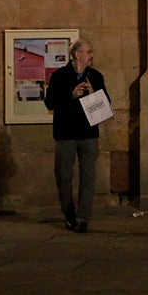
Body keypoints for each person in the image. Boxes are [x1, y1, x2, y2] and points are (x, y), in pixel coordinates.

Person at [44, 38, 110, 234]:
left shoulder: (95, 76)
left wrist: (93, 93)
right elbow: (50, 103)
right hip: (65, 134)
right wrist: (71, 95)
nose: (92, 55)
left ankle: (83, 218)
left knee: (88, 176)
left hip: (88, 134)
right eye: (89, 51)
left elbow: (106, 105)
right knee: (64, 176)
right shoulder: (59, 76)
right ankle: (69, 214)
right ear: (77, 54)